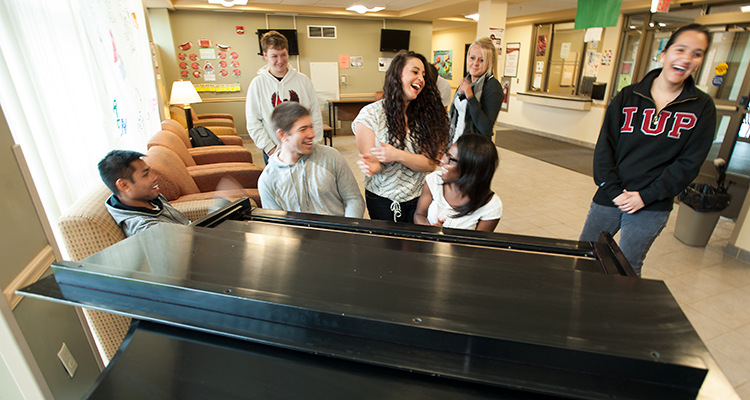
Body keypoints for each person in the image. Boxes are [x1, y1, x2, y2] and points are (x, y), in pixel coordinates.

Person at [579, 23, 716, 276]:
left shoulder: (702, 107)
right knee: (586, 257)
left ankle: (615, 315)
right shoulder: (628, 96)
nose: (686, 59)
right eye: (681, 49)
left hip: (651, 204)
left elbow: (688, 163)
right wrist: (612, 189)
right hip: (611, 194)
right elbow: (605, 146)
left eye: (697, 54)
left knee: (628, 269)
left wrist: (646, 196)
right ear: (664, 53)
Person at [353, 51, 449, 223]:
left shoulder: (429, 115)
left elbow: (429, 164)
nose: (421, 78)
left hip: (420, 197)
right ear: (397, 74)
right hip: (383, 199)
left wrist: (396, 155)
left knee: (418, 246)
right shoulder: (370, 115)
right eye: (415, 72)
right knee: (389, 247)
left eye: (423, 75)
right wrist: (372, 166)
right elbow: (373, 164)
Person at [258, 102, 365, 218]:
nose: (312, 134)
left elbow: (353, 199)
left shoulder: (331, 156)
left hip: (339, 232)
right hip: (298, 235)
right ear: (282, 135)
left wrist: (347, 232)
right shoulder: (267, 180)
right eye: (303, 129)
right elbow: (277, 224)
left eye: (311, 127)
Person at [246, 30, 323, 165]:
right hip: (274, 152)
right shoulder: (257, 84)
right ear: (265, 55)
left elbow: (315, 113)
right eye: (274, 56)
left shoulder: (303, 80)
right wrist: (271, 149)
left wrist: (314, 143)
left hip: (304, 149)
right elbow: (253, 122)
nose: (280, 60)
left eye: (283, 55)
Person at [414, 134, 502, 231]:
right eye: (447, 154)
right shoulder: (434, 180)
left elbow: (476, 245)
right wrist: (430, 229)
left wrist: (445, 235)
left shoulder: (491, 206)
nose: (442, 161)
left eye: (450, 159)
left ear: (469, 169)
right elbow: (419, 214)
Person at [98, 150, 189, 237]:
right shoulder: (146, 228)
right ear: (124, 185)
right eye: (145, 175)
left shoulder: (149, 197)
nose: (154, 177)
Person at [447, 37, 504, 144]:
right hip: (455, 144)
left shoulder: (493, 87)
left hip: (474, 150)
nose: (475, 63)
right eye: (472, 58)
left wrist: (470, 97)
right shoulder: (467, 81)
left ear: (490, 63)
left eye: (481, 60)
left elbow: (486, 128)